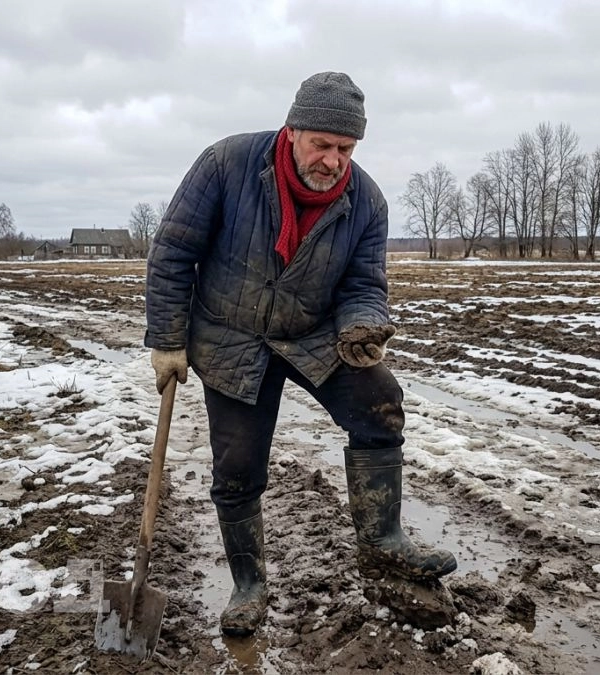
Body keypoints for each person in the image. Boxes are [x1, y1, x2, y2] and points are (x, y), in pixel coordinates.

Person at [144, 71, 456, 637]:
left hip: (313, 333)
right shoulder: (225, 165)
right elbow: (171, 254)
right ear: (292, 132)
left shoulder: (366, 202)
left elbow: (364, 283)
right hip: (231, 336)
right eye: (323, 144)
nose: (334, 160)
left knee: (381, 404)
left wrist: (363, 324)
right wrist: (167, 340)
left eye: (346, 148)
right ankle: (249, 584)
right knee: (237, 469)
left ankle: (383, 543)